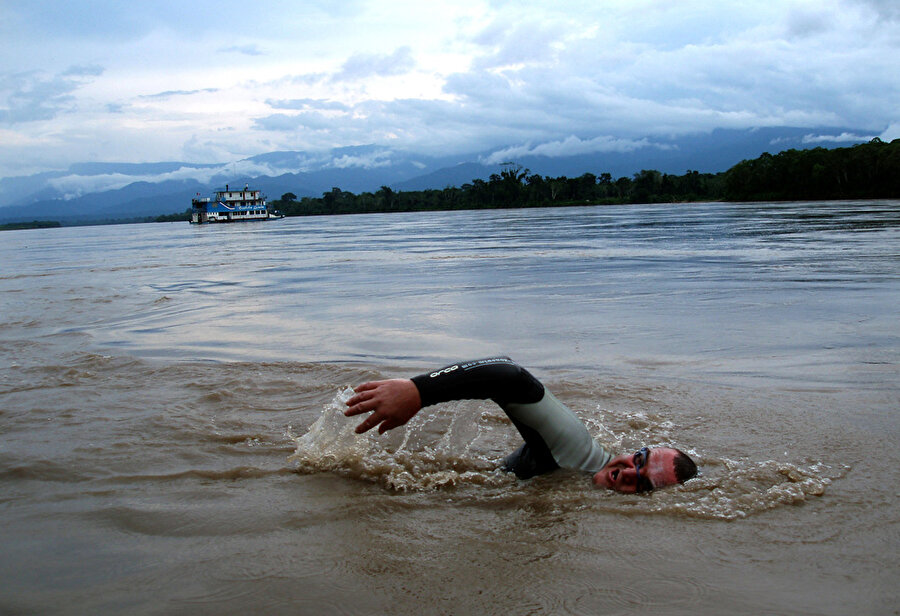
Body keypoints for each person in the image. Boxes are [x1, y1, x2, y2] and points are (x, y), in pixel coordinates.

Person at [344, 356, 697, 493]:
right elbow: (509, 375)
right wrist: (418, 391)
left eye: (646, 485)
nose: (630, 472)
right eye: (639, 459)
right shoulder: (575, 451)